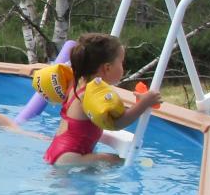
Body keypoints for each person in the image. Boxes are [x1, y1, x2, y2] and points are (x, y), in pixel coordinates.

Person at [42, 33, 162, 166]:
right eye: (121, 62)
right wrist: (145, 103)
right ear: (107, 68)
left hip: (58, 151)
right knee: (117, 161)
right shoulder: (90, 93)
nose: (123, 67)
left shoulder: (77, 82)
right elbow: (117, 123)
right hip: (72, 157)